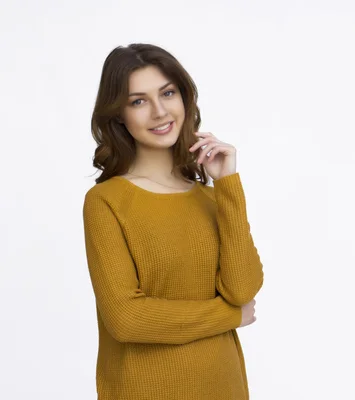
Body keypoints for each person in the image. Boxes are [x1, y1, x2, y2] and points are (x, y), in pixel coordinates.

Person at [82, 43, 264, 399]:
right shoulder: (106, 202)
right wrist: (227, 316)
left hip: (223, 386)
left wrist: (227, 183)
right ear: (118, 115)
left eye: (168, 93)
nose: (159, 111)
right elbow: (127, 319)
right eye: (138, 101)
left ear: (184, 98)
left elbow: (242, 290)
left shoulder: (213, 198)